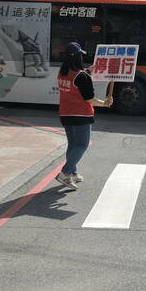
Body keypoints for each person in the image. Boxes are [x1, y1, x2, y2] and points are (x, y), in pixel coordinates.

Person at [55, 41, 112, 188]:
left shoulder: (62, 72)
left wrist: (88, 71)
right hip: (81, 115)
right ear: (78, 57)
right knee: (82, 145)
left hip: (65, 114)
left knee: (73, 145)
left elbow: (76, 80)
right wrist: (105, 103)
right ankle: (65, 173)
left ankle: (72, 173)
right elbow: (90, 99)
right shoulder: (82, 77)